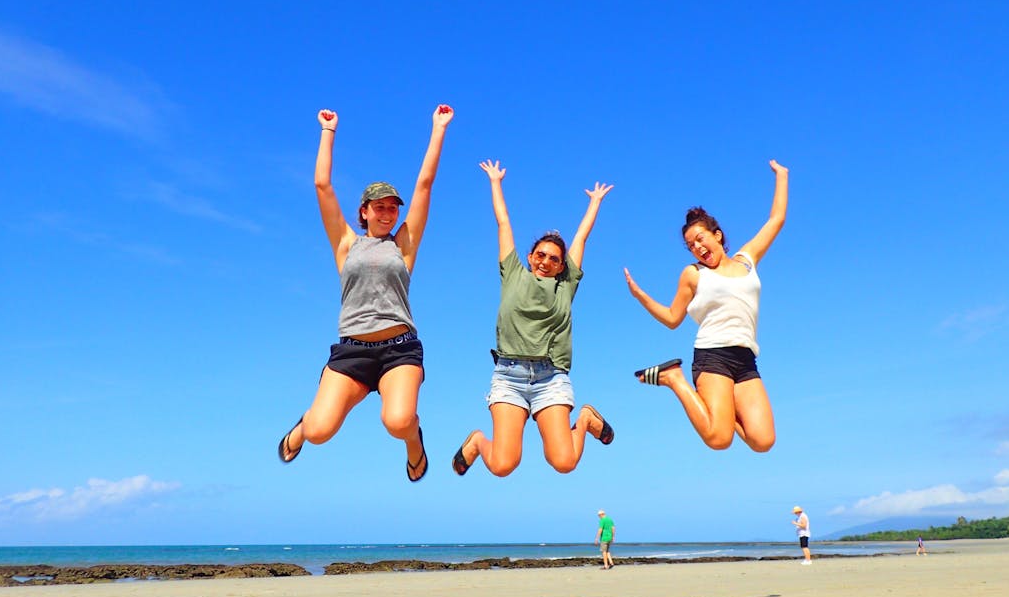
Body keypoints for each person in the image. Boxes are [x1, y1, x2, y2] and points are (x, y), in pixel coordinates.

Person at [277, 105, 454, 482]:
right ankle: (304, 424)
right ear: (364, 211)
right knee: (319, 432)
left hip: (399, 348)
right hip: (352, 351)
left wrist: (438, 128)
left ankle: (414, 443)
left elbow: (424, 185)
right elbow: (322, 186)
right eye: (380, 207)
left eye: (392, 207)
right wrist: (329, 132)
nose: (388, 213)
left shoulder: (403, 245)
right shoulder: (346, 244)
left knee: (397, 420)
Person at [452, 159, 614, 477]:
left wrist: (594, 203)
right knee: (502, 465)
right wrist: (495, 182)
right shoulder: (512, 273)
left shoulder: (565, 286)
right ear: (529, 257)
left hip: (550, 378)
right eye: (540, 255)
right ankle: (476, 442)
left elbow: (580, 240)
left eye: (554, 259)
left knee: (564, 462)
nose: (545, 261)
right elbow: (503, 223)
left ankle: (585, 420)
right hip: (509, 376)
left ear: (561, 266)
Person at [624, 160, 788, 451]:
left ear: (717, 235)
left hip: (746, 358)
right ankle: (674, 377)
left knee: (763, 441)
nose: (697, 248)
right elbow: (674, 318)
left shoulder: (746, 259)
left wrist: (782, 176)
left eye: (700, 239)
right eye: (690, 245)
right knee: (719, 439)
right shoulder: (693, 274)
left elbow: (776, 220)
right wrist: (641, 297)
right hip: (713, 356)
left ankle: (722, 414)